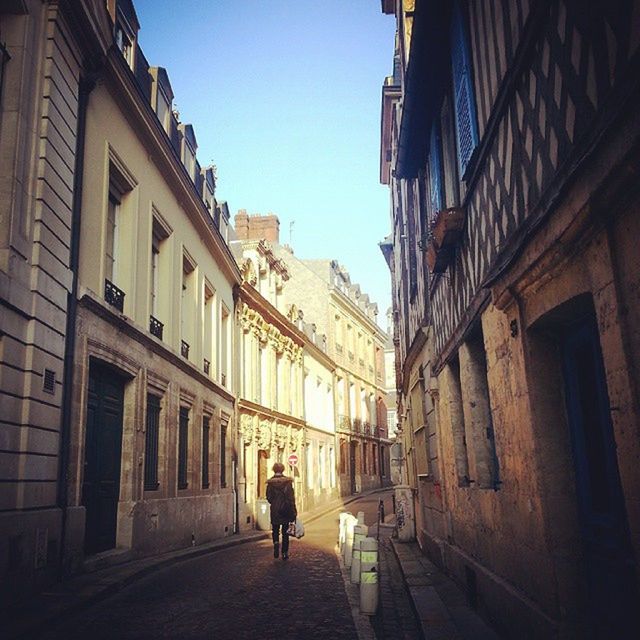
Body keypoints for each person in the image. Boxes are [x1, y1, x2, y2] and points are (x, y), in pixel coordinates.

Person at [266, 462, 297, 560]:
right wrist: (293, 511)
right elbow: (291, 498)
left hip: (275, 510)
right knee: (285, 532)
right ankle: (284, 552)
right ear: (282, 470)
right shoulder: (287, 482)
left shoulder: (270, 483)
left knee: (275, 529)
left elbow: (269, 497)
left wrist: (275, 503)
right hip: (285, 510)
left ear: (274, 470)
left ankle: (275, 542)